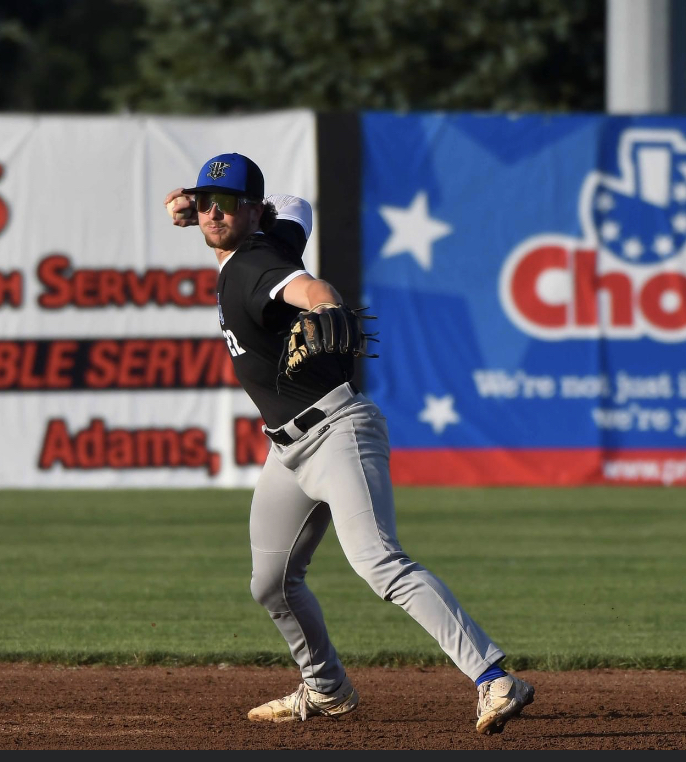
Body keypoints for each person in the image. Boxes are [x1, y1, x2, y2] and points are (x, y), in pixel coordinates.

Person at [164, 152, 534, 735]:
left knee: (379, 562)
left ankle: (493, 678)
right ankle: (326, 688)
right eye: (205, 200)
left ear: (251, 210)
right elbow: (296, 207)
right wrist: (204, 203)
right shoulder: (274, 235)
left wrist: (327, 307)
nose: (214, 212)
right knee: (271, 582)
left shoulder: (255, 263)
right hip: (286, 451)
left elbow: (309, 288)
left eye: (228, 202)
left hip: (337, 433)